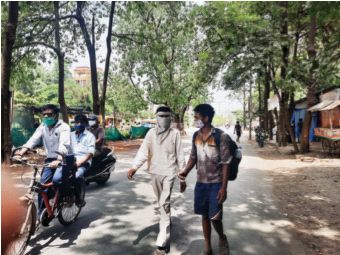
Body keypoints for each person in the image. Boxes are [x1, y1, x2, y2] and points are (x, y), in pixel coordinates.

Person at [127, 106, 186, 255]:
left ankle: (161, 243)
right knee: (162, 203)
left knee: (164, 203)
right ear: (156, 117)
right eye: (161, 116)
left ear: (170, 117)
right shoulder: (151, 133)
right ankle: (166, 218)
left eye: (167, 116)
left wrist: (182, 177)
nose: (164, 118)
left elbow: (180, 155)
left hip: (170, 173)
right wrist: (134, 167)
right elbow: (143, 152)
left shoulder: (175, 134)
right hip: (154, 172)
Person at [178, 104, 231, 255]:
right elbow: (193, 157)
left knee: (215, 217)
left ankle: (222, 238)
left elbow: (226, 163)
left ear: (206, 118)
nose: (195, 120)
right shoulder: (196, 136)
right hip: (201, 183)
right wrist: (185, 172)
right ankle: (208, 247)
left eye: (196, 117)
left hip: (216, 184)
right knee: (204, 215)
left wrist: (224, 188)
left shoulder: (221, 136)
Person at [14, 104, 71, 217]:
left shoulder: (64, 127)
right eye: (44, 115)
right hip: (50, 158)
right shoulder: (43, 126)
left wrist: (59, 159)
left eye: (49, 114)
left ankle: (62, 199)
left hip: (64, 158)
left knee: (57, 179)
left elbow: (64, 144)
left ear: (56, 115)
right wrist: (22, 151)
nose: (46, 117)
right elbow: (34, 139)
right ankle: (42, 214)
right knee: (42, 186)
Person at [67, 114, 96, 207]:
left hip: (83, 162)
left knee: (77, 175)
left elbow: (90, 153)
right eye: (77, 122)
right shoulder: (70, 135)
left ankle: (79, 198)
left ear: (85, 123)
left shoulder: (90, 136)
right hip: (70, 160)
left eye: (81, 122)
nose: (78, 124)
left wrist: (79, 163)